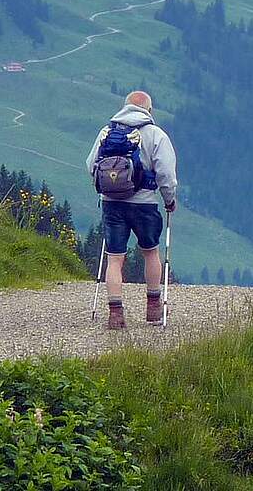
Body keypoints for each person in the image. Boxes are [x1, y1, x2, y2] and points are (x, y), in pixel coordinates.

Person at [86, 90, 178, 330]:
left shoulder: (106, 132)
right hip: (144, 203)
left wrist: (108, 187)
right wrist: (169, 200)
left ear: (125, 107)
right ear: (149, 110)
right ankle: (153, 307)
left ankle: (115, 313)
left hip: (112, 203)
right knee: (150, 252)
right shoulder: (155, 134)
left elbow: (90, 165)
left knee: (115, 258)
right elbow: (166, 173)